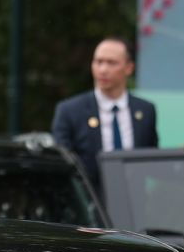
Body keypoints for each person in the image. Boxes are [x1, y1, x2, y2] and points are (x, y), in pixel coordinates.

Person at [50, 38, 159, 184]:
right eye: (98, 62)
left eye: (111, 63)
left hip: (134, 202)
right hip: (88, 203)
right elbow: (63, 166)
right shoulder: (69, 111)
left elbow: (152, 162)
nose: (103, 70)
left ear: (129, 68)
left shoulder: (145, 111)